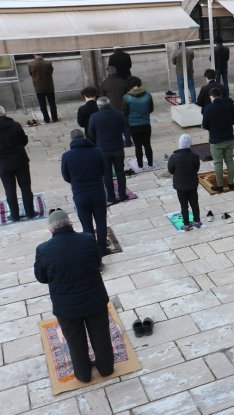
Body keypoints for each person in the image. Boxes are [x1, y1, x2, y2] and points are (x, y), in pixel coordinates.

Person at [34, 209, 114, 383]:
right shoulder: (87, 239)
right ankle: (106, 368)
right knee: (101, 336)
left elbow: (41, 278)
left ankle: (83, 375)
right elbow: (97, 262)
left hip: (66, 308)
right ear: (71, 224)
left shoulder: (43, 250)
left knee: (75, 342)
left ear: (51, 230)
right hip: (95, 300)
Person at [61, 129, 108, 254]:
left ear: (71, 140)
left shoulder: (67, 156)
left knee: (86, 225)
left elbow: (66, 177)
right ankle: (102, 248)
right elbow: (103, 170)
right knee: (101, 222)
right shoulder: (96, 151)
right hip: (97, 192)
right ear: (84, 137)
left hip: (80, 194)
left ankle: (92, 249)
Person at [88, 97, 127, 204]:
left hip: (103, 149)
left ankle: (111, 197)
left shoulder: (94, 117)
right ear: (109, 104)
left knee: (107, 174)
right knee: (120, 173)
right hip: (118, 147)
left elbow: (91, 134)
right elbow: (124, 128)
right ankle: (122, 194)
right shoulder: (118, 114)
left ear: (98, 106)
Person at [0, 106, 36, 222]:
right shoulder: (15, 125)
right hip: (20, 160)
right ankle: (30, 212)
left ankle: (14, 215)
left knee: (9, 190)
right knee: (25, 187)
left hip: (3, 164)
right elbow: (24, 140)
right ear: (4, 113)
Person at [202, 87, 234, 193]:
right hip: (229, 138)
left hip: (216, 140)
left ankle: (220, 186)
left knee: (218, 163)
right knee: (230, 161)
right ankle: (230, 183)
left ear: (211, 97)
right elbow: (233, 121)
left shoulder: (208, 108)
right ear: (220, 94)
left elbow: (205, 125)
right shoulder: (230, 104)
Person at [167, 134, 201, 231]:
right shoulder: (195, 156)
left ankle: (186, 224)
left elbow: (170, 170)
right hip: (192, 184)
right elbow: (196, 168)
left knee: (184, 205)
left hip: (180, 185)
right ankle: (197, 221)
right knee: (194, 203)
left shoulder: (173, 157)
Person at [122, 76, 154, 169]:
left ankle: (140, 165)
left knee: (138, 146)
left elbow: (125, 112)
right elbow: (151, 109)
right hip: (146, 123)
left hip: (133, 125)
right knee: (147, 144)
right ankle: (150, 163)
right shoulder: (148, 95)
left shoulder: (126, 97)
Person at [100, 66, 131, 146]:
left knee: (114, 126)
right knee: (125, 126)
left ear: (107, 73)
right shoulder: (123, 81)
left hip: (111, 108)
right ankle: (128, 142)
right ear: (116, 71)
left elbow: (102, 97)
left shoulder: (104, 83)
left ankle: (118, 142)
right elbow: (128, 94)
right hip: (123, 107)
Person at [28, 53, 58, 123]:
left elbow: (30, 74)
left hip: (38, 87)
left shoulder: (30, 64)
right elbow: (51, 72)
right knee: (52, 103)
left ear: (34, 55)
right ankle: (55, 118)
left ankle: (46, 119)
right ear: (42, 54)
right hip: (49, 86)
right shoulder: (48, 63)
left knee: (42, 104)